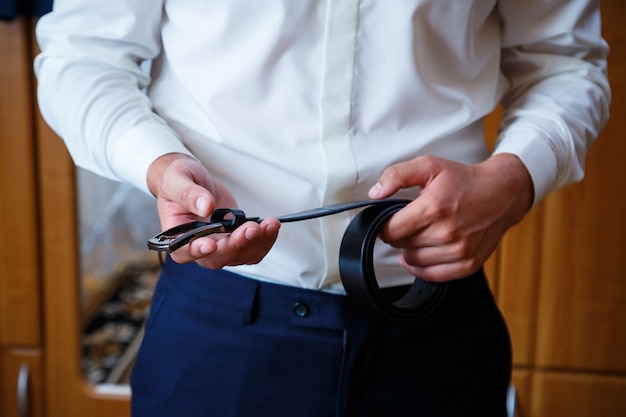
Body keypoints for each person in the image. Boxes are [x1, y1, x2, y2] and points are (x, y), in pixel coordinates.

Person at [34, 1, 610, 416]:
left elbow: (565, 66)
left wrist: (513, 180)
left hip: (433, 328)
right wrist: (159, 165)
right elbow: (82, 59)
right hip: (218, 335)